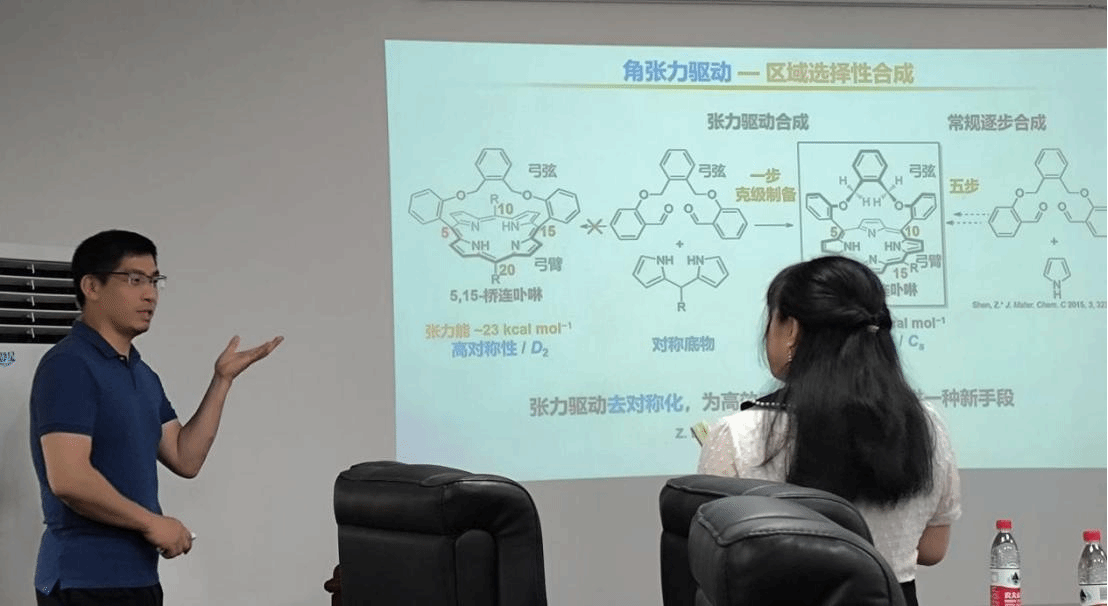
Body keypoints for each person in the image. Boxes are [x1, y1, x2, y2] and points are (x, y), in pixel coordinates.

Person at [28, 230, 283, 606]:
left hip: (140, 577)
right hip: (84, 581)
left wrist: (222, 380)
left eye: (154, 280)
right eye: (134, 280)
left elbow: (185, 456)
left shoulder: (142, 374)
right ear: (92, 286)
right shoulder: (69, 365)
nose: (150, 295)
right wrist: (152, 523)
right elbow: (69, 479)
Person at [696, 255, 960, 606]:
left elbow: (709, 559)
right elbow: (931, 549)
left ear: (792, 330)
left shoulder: (739, 434)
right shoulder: (924, 422)